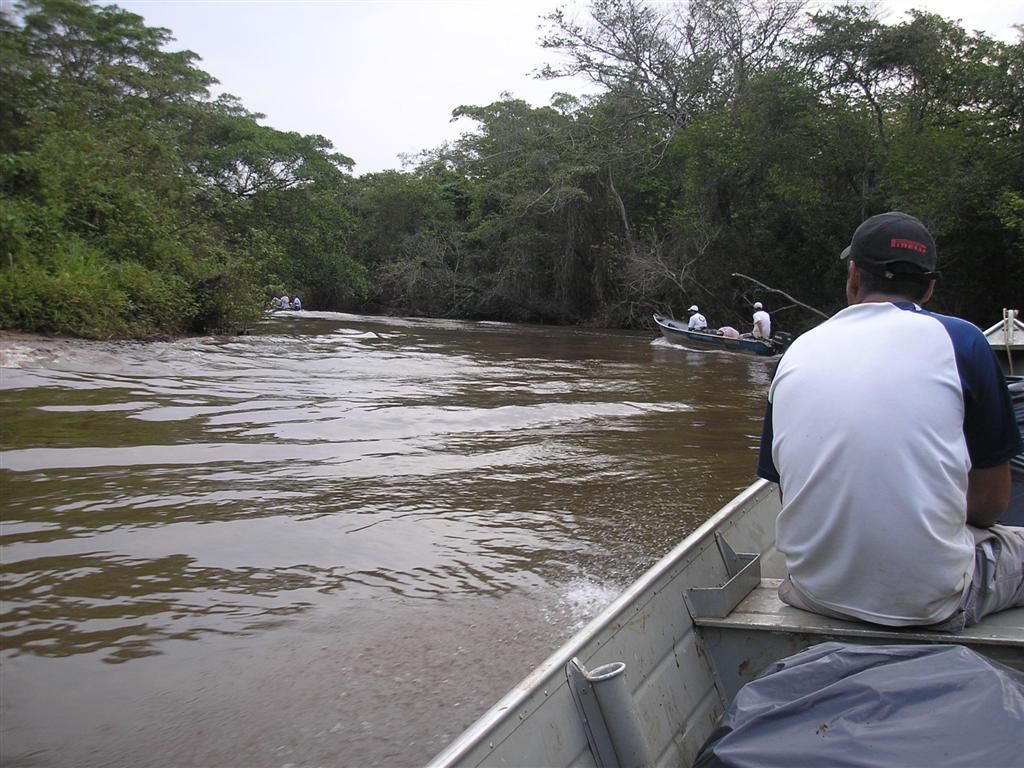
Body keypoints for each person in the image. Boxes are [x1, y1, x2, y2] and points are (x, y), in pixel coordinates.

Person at [757, 211, 1024, 631]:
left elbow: (787, 490)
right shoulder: (964, 342)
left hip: (813, 592)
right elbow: (992, 505)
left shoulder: (797, 351)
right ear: (930, 287)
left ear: (853, 277)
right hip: (931, 604)